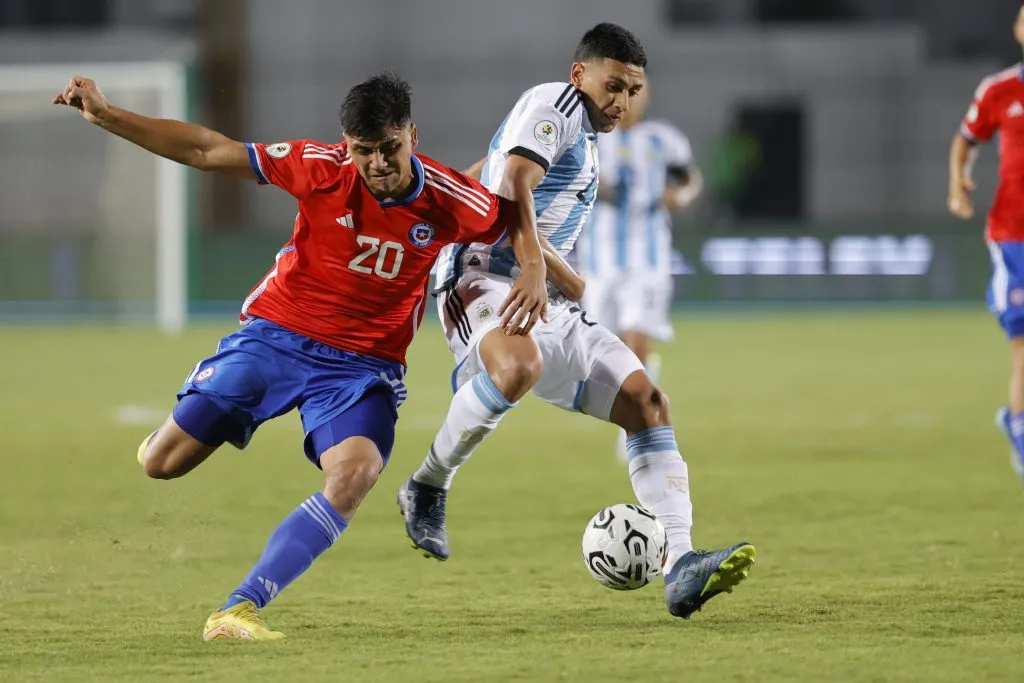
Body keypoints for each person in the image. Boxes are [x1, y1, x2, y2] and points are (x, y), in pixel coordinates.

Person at [54, 71, 548, 640]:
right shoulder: (320, 166)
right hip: (275, 337)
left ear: (412, 134)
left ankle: (239, 608)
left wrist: (534, 266)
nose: (379, 164)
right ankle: (183, 420)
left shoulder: (449, 198)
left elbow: (510, 217)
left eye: (391, 148)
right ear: (347, 145)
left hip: (362, 367)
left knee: (356, 473)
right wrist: (108, 115)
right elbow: (208, 149)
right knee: (162, 464)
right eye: (365, 152)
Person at [397, 23, 755, 620]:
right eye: (612, 85)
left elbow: (491, 173)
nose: (621, 101)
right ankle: (428, 483)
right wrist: (535, 266)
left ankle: (682, 564)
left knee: (648, 403)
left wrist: (562, 278)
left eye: (632, 90)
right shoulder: (554, 105)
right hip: (483, 275)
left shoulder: (586, 139)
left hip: (544, 294)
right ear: (579, 75)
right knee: (518, 366)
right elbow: (512, 181)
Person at [573, 84, 703, 461]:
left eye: (637, 91)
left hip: (646, 260)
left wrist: (681, 196)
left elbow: (690, 178)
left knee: (638, 339)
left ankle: (640, 426)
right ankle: (640, 392)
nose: (628, 100)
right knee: (602, 357)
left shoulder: (664, 140)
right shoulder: (588, 139)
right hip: (598, 263)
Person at [949, 1, 1024, 479]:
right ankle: (1019, 426)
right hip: (1014, 233)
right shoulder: (1000, 90)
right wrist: (958, 183)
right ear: (1018, 29)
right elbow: (965, 139)